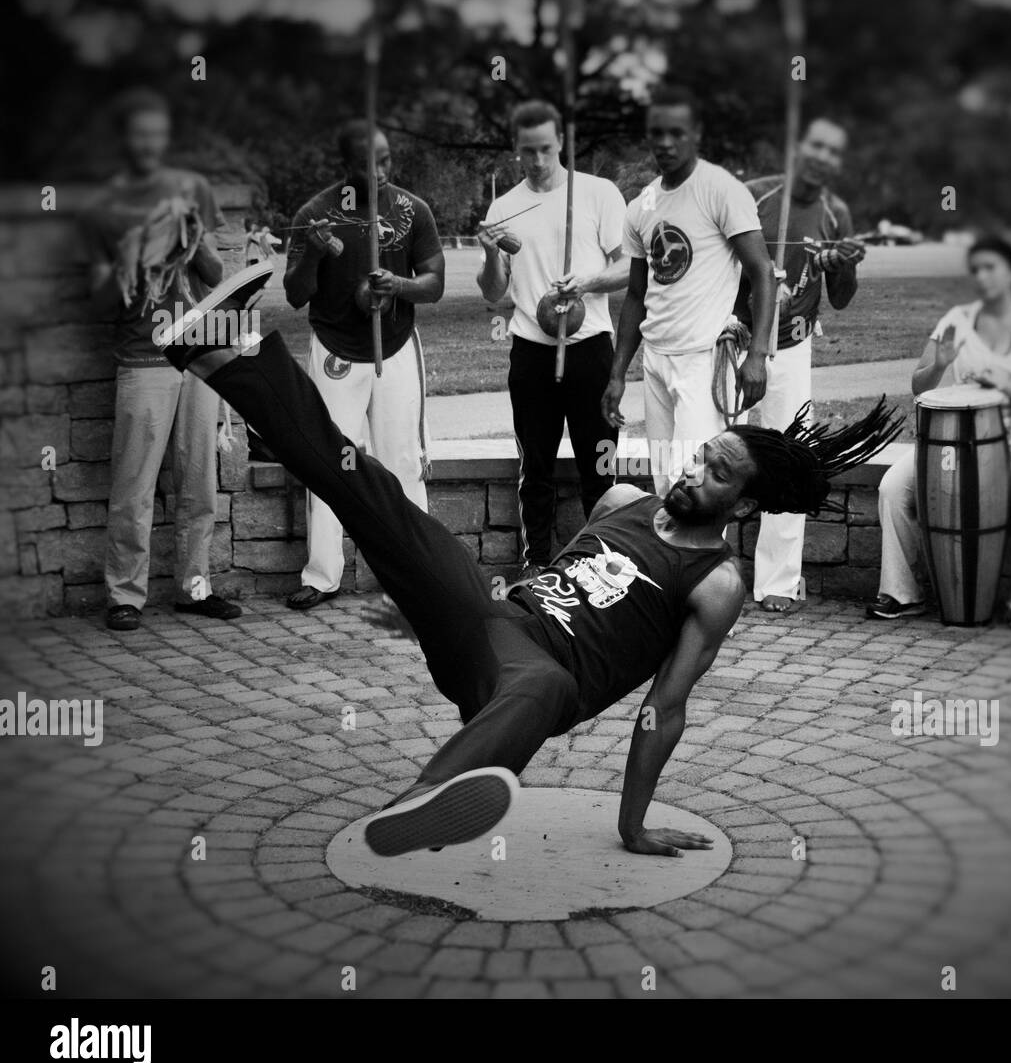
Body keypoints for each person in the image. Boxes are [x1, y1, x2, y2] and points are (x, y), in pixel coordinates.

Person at [157, 318, 901, 856]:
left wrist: (631, 826)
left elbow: (663, 709)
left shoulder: (716, 583)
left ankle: (419, 806)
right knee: (367, 488)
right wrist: (426, 612)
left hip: (534, 683)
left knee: (540, 688)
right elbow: (554, 582)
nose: (691, 471)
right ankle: (230, 355)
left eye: (716, 472)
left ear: (741, 504)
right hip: (487, 623)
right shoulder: (620, 503)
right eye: (699, 455)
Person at [80, 88, 242, 632]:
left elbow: (217, 278)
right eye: (139, 134)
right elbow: (99, 300)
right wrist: (132, 255)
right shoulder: (105, 205)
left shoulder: (190, 189)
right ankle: (124, 595)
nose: (149, 144)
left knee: (199, 483)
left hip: (196, 353)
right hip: (143, 358)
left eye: (157, 134)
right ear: (124, 140)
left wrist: (193, 239)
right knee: (135, 485)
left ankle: (195, 588)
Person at [281, 120, 445, 610]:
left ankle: (422, 571)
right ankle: (322, 575)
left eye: (388, 160)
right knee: (331, 461)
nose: (381, 172)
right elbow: (294, 295)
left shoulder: (412, 209)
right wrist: (312, 251)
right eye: (369, 164)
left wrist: (398, 286)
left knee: (402, 459)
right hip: (335, 348)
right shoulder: (316, 213)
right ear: (346, 165)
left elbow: (433, 282)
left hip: (393, 347)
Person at [872, 235, 1011, 631]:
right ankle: (902, 593)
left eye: (991, 267)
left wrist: (1003, 382)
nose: (982, 276)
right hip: (955, 438)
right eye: (976, 269)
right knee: (893, 488)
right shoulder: (957, 320)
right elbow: (920, 388)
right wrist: (939, 365)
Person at [476, 100, 629, 578]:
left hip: (590, 349)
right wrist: (489, 255)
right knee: (535, 468)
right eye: (528, 152)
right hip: (531, 352)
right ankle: (536, 564)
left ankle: (601, 565)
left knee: (599, 466)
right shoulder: (504, 208)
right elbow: (494, 294)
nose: (538, 161)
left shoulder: (600, 194)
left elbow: (628, 268)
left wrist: (584, 282)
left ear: (562, 141)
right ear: (516, 150)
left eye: (545, 149)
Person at [602, 84, 776, 499]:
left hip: (705, 360)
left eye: (676, 132)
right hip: (657, 361)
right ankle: (668, 565)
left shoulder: (721, 189)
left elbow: (763, 272)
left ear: (696, 133)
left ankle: (705, 566)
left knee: (700, 485)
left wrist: (757, 355)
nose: (665, 143)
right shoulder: (640, 206)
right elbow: (635, 295)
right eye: (657, 133)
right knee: (666, 485)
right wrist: (616, 374)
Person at [734, 116, 865, 612]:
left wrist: (844, 264)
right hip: (734, 342)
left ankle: (778, 583)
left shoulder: (837, 213)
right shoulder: (754, 197)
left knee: (787, 458)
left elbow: (843, 298)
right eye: (816, 145)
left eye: (834, 151)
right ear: (797, 147)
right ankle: (701, 573)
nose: (823, 157)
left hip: (791, 348)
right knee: (709, 452)